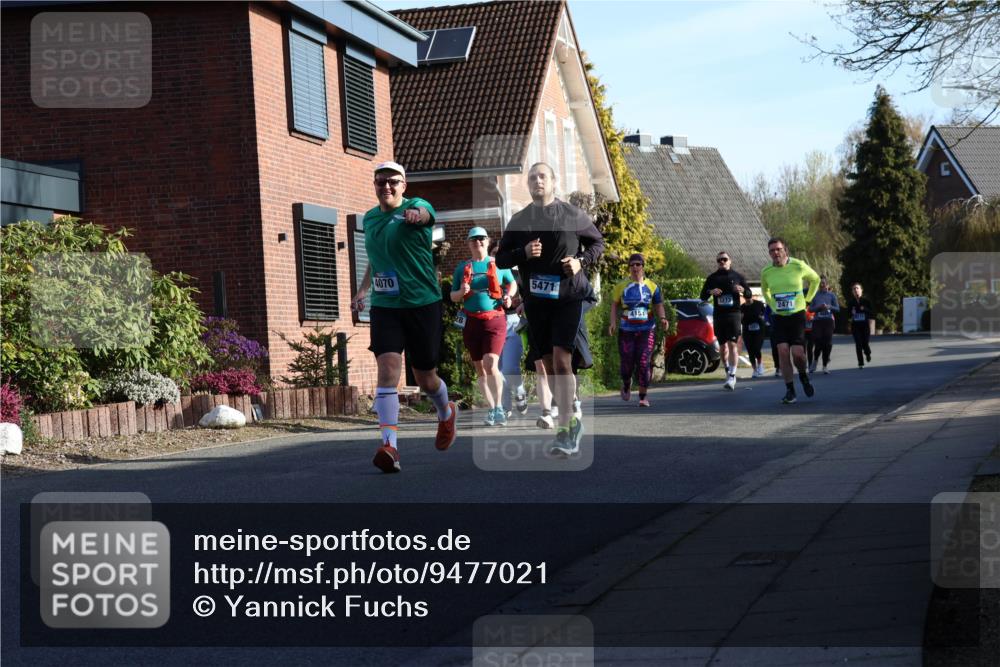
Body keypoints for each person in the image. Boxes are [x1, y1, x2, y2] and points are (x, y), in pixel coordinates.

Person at [351, 161, 458, 473]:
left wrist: (417, 216)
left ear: (404, 184)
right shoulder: (370, 218)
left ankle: (445, 412)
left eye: (393, 181)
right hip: (386, 305)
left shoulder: (416, 206)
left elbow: (427, 215)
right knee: (388, 369)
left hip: (422, 302)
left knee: (425, 377)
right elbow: (376, 258)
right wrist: (362, 290)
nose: (386, 186)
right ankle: (390, 447)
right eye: (380, 181)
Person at [496, 162, 605, 457]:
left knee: (561, 361)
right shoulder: (519, 221)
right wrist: (523, 253)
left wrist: (581, 260)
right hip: (537, 302)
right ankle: (569, 419)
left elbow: (598, 242)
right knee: (546, 362)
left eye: (542, 176)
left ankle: (566, 428)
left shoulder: (572, 214)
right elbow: (501, 259)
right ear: (528, 185)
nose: (537, 181)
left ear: (554, 182)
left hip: (568, 297)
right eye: (532, 177)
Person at [450, 227, 518, 426]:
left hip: (494, 320)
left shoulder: (498, 264)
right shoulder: (462, 268)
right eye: (473, 239)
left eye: (481, 239)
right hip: (471, 322)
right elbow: (453, 297)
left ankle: (499, 407)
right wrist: (462, 291)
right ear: (468, 244)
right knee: (480, 369)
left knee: (491, 363)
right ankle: (491, 408)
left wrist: (508, 296)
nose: (478, 242)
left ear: (488, 242)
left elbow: (512, 283)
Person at [761, 237, 820, 404]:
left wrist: (808, 300)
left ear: (785, 250)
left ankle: (803, 376)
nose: (775, 253)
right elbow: (765, 290)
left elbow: (815, 279)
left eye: (778, 249)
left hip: (797, 315)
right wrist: (771, 303)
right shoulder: (766, 271)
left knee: (798, 354)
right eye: (772, 250)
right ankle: (790, 390)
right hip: (779, 317)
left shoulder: (798, 265)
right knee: (783, 351)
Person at [608, 253, 669, 407]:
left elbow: (658, 305)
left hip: (646, 328)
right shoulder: (621, 286)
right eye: (632, 265)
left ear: (643, 267)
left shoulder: (653, 286)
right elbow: (614, 305)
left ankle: (643, 396)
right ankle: (627, 383)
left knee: (643, 361)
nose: (635, 267)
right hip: (626, 329)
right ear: (629, 268)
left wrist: (662, 318)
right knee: (627, 362)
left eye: (638, 264)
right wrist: (612, 323)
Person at [700, 251, 752, 390]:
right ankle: (728, 370)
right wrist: (711, 292)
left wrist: (742, 290)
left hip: (734, 314)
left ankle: (733, 375)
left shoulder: (737, 276)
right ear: (717, 262)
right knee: (722, 348)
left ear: (730, 261)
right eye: (719, 260)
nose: (722, 262)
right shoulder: (712, 278)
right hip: (719, 315)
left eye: (724, 259)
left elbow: (748, 294)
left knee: (733, 345)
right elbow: (702, 296)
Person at [808, 276, 840, 373]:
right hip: (818, 321)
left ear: (827, 284)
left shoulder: (831, 296)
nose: (822, 285)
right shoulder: (815, 295)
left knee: (828, 343)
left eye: (824, 283)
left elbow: (837, 309)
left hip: (828, 321)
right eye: (820, 283)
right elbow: (810, 309)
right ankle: (815, 360)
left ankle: (825, 366)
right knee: (818, 342)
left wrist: (829, 306)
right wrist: (819, 307)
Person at [846, 282, 874, 368]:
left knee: (865, 342)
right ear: (852, 292)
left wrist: (864, 309)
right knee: (858, 344)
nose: (856, 290)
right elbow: (848, 315)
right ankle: (860, 362)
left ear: (861, 290)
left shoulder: (866, 301)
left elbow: (872, 313)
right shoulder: (851, 302)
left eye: (857, 288)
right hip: (856, 326)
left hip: (865, 325)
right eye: (854, 289)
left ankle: (868, 353)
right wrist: (851, 313)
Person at [741, 292, 767, 378]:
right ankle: (754, 370)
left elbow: (765, 314)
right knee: (750, 350)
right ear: (744, 299)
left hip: (759, 329)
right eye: (746, 300)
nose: (748, 302)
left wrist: (762, 318)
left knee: (756, 348)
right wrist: (741, 317)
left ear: (751, 297)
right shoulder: (742, 307)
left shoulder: (759, 304)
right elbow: (740, 319)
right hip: (747, 330)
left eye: (749, 300)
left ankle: (760, 364)